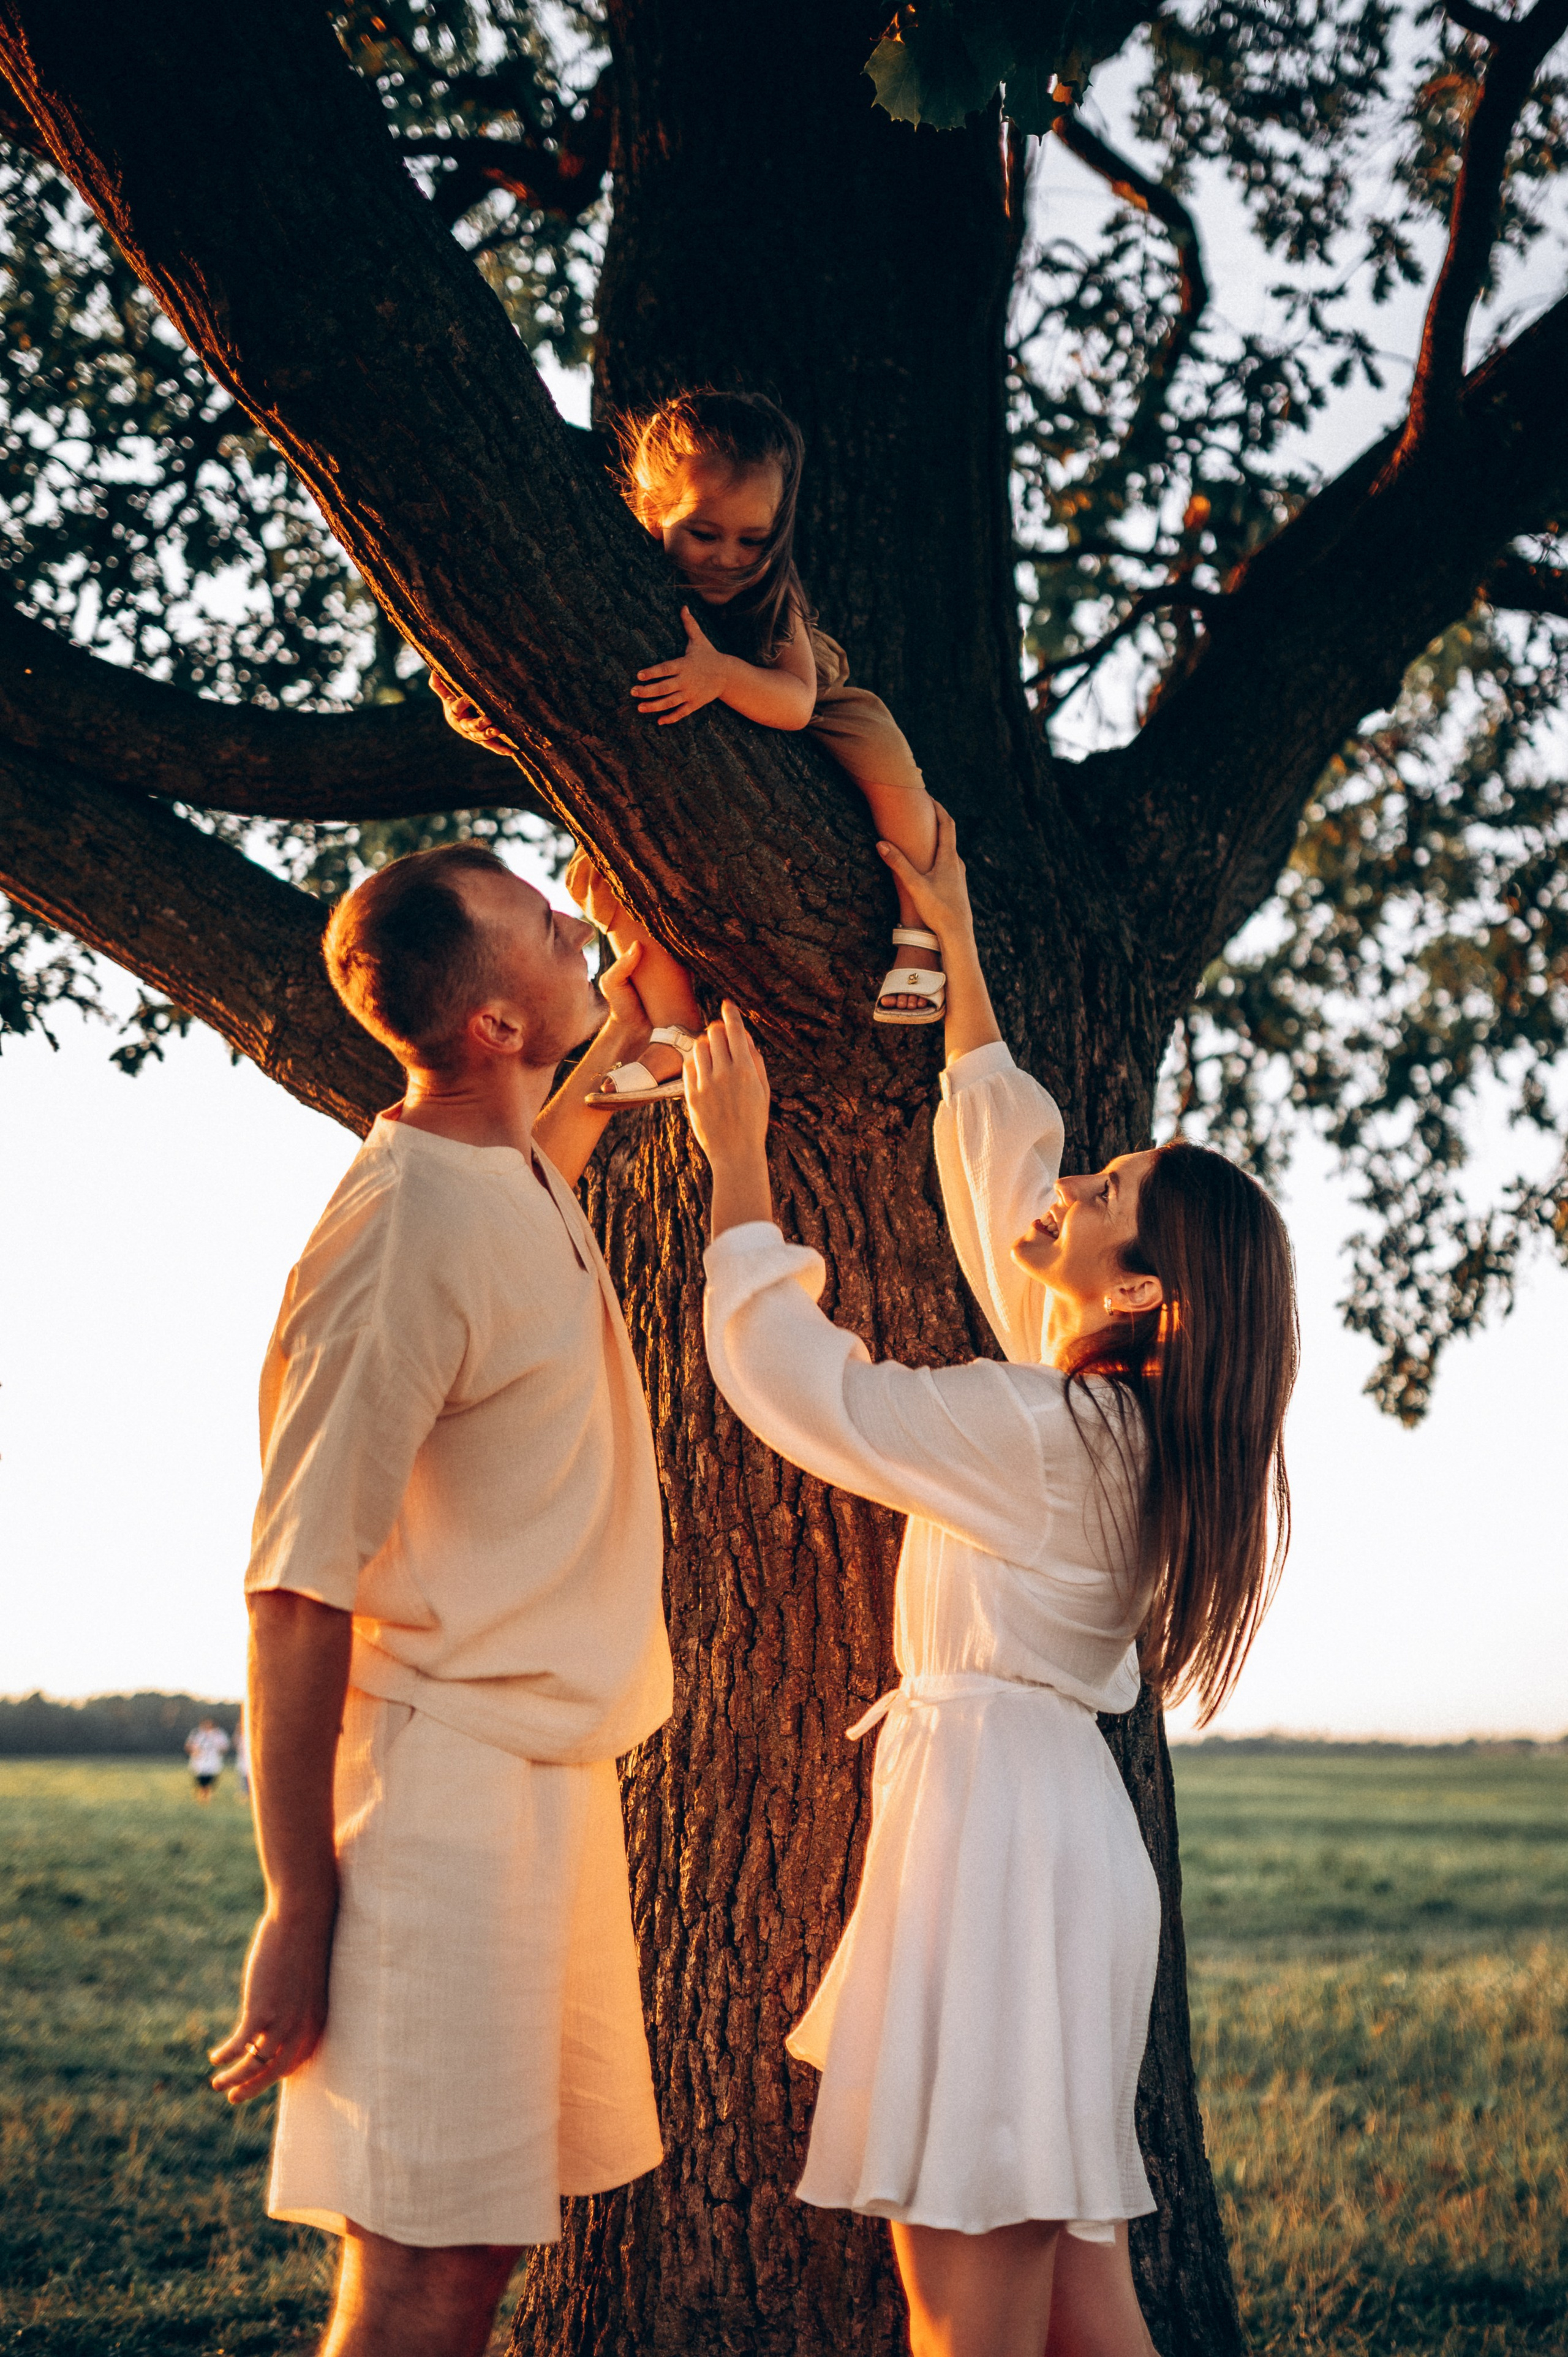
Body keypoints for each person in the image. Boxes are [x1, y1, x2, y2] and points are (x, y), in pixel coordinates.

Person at [682, 809, 1298, 2357]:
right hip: (1044, 1837)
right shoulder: (1116, 1426)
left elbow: (807, 1388)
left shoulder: (1044, 1429)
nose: (1072, 1179)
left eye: (1105, 1189)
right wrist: (955, 957)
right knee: (1079, 2307)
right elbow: (1003, 1173)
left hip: (999, 1846)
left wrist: (737, 1161)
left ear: (1142, 1288)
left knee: (968, 2314)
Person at [208, 843, 674, 2357]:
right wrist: (298, 1897)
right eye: (547, 924)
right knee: (420, 2261)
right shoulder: (398, 1224)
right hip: (433, 1797)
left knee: (482, 2250)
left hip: (542, 1790)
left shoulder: (523, 1159)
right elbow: (296, 1585)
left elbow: (634, 1034)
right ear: (492, 1026)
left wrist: (631, 919)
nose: (571, 920)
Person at [434, 387, 946, 1107]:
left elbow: (798, 703)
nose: (729, 558)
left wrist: (723, 674)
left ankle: (921, 929)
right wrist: (470, 707)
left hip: (795, 712)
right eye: (704, 534)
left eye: (752, 539)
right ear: (650, 510)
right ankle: (673, 1027)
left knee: (877, 739)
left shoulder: (770, 594)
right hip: (677, 761)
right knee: (599, 879)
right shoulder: (607, 573)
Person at [185, 1716, 230, 1803]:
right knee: (201, 1781)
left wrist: (220, 1750)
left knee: (211, 1781)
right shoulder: (196, 1733)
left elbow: (225, 1747)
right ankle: (202, 1797)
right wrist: (194, 1751)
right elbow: (188, 1746)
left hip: (213, 1763)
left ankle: (207, 1797)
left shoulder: (219, 1734)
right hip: (199, 1763)